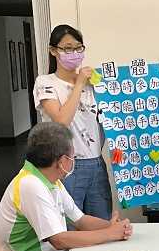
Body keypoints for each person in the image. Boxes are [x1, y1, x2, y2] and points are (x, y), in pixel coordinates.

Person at [0, 122, 133, 251]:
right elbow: (59, 240)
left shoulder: (49, 180)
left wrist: (113, 227)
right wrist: (110, 233)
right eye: (73, 156)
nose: (74, 161)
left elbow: (81, 220)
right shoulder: (30, 185)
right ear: (62, 162)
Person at [34, 24, 115, 218]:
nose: (75, 53)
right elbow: (62, 122)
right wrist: (78, 83)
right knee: (70, 225)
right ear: (54, 51)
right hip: (64, 165)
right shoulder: (46, 83)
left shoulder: (95, 84)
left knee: (101, 221)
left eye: (79, 48)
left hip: (96, 163)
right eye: (67, 48)